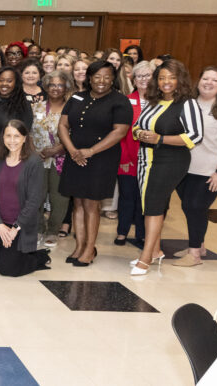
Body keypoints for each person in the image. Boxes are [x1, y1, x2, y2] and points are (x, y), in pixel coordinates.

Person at [130, 60, 203, 275]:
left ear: (180, 79)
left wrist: (160, 138)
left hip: (169, 162)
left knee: (153, 207)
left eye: (171, 77)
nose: (166, 82)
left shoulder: (187, 103)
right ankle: (156, 251)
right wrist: (140, 134)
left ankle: (146, 258)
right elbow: (137, 126)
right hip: (146, 159)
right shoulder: (154, 101)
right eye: (162, 78)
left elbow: (195, 135)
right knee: (151, 205)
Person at [58, 60, 134, 266]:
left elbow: (120, 132)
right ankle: (79, 246)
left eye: (107, 77)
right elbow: (63, 125)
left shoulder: (120, 101)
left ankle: (90, 249)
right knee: (77, 203)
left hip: (102, 158)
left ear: (113, 79)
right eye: (97, 76)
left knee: (92, 203)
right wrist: (73, 150)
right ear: (89, 78)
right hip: (75, 155)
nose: (101, 81)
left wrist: (90, 151)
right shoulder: (76, 97)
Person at [172, 66, 217, 267]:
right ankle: (199, 245)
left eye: (215, 80)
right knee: (193, 208)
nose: (208, 83)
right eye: (205, 78)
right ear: (198, 80)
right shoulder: (188, 103)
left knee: (194, 206)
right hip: (186, 166)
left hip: (213, 168)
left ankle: (194, 254)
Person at [0, 120, 51, 276]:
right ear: (3, 138)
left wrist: (15, 228)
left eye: (17, 136)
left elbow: (34, 200)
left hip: (20, 224)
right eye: (8, 136)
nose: (12, 140)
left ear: (25, 138)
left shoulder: (34, 162)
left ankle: (38, 257)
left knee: (8, 269)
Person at [31, 70, 74, 246]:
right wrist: (34, 151)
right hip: (37, 158)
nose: (55, 88)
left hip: (61, 159)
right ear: (46, 87)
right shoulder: (36, 107)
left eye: (60, 85)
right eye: (52, 85)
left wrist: (57, 149)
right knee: (36, 196)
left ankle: (53, 230)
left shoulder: (72, 109)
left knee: (59, 198)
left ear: (66, 88)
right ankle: (38, 228)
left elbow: (76, 135)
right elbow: (27, 132)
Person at [114, 61, 153, 246]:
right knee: (127, 196)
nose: (144, 79)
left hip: (152, 161)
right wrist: (123, 159)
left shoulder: (160, 103)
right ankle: (122, 232)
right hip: (128, 158)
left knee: (145, 199)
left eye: (148, 75)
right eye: (139, 76)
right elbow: (120, 134)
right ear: (133, 79)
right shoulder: (126, 101)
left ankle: (142, 233)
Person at [0, 67, 33, 154]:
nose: (4, 84)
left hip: (11, 150)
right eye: (1, 80)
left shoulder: (23, 104)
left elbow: (25, 132)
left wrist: (4, 152)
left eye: (9, 81)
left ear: (16, 83)